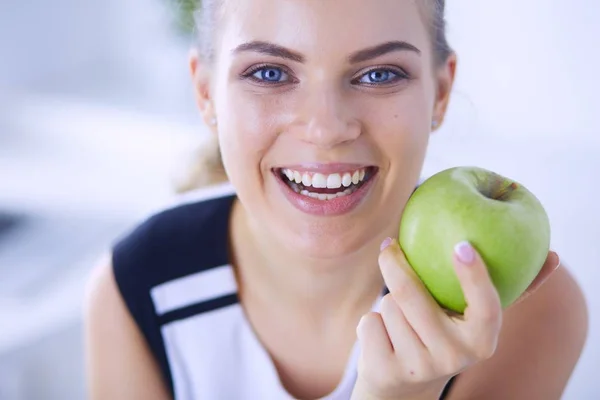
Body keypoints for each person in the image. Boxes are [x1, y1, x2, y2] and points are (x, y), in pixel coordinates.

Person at [84, 1, 589, 399]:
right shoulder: (134, 289)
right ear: (206, 94)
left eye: (379, 74)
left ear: (440, 93)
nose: (326, 130)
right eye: (270, 73)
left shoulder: (521, 309)